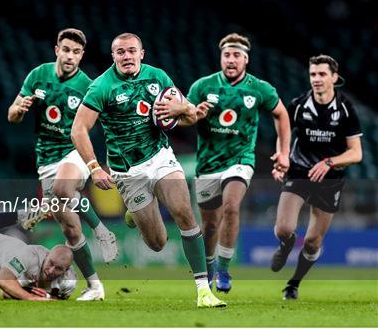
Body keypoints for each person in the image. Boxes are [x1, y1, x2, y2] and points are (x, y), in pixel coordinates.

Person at [71, 32, 226, 308]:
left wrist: (182, 108)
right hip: (128, 171)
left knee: (183, 212)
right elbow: (78, 129)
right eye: (121, 52)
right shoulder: (102, 86)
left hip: (160, 157)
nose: (127, 56)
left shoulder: (158, 78)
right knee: (157, 243)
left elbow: (190, 116)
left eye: (132, 51)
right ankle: (135, 211)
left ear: (142, 53)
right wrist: (94, 168)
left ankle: (204, 291)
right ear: (113, 57)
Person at [154, 33, 291, 293]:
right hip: (208, 163)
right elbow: (183, 120)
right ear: (221, 57)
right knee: (210, 224)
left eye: (237, 55)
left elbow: (281, 114)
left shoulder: (259, 88)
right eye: (227, 55)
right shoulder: (203, 86)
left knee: (231, 208)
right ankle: (208, 267)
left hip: (240, 159)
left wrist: (283, 152)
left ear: (246, 59)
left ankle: (225, 269)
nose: (231, 59)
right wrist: (195, 115)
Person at [7, 28, 117, 301]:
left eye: (76, 52)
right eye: (66, 50)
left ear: (81, 56)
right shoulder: (37, 75)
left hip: (75, 151)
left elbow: (105, 123)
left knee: (62, 190)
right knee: (71, 229)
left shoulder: (87, 86)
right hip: (46, 158)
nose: (70, 56)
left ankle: (102, 230)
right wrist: (18, 110)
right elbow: (12, 115)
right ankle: (95, 286)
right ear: (57, 50)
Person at [270, 55, 363, 300]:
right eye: (313, 74)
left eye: (322, 74)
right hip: (300, 171)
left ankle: (294, 283)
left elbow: (356, 153)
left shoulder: (345, 109)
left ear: (334, 77)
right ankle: (286, 244)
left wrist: (329, 162)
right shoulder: (299, 104)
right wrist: (282, 158)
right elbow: (284, 134)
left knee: (312, 241)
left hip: (330, 177)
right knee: (283, 229)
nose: (317, 79)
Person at [0, 213, 77, 300]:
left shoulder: (69, 281)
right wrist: (30, 297)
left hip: (14, 249)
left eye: (59, 268)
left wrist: (48, 297)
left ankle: (21, 216)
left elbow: (5, 294)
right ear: (46, 256)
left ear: (67, 270)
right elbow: (2, 280)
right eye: (50, 263)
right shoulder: (30, 257)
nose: (51, 270)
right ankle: (20, 215)